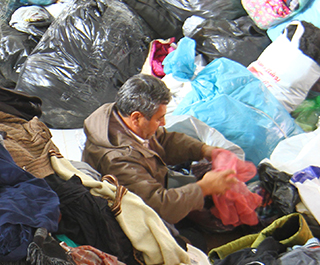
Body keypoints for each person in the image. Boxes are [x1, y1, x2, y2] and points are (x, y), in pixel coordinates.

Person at [82, 73, 239, 226]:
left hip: (153, 188)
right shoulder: (118, 160)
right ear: (136, 118)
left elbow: (164, 140)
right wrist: (204, 187)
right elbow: (161, 207)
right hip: (135, 219)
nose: (163, 123)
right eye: (159, 119)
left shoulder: (123, 116)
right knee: (198, 237)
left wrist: (204, 150)